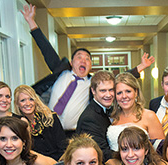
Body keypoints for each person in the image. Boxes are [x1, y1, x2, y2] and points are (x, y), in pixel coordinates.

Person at [21, 4, 154, 135]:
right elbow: (46, 49)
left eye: (87, 59)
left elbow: (118, 79)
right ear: (72, 62)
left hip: (75, 133)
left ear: (91, 66)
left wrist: (140, 67)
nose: (83, 60)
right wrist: (31, 21)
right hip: (49, 130)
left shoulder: (92, 83)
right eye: (79, 57)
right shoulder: (60, 71)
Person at [107, 72, 165, 151]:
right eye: (119, 93)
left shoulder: (149, 116)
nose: (124, 96)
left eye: (128, 91)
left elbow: (160, 150)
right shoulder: (112, 117)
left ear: (136, 92)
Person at [13, 84, 67, 161]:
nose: (28, 103)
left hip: (57, 161)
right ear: (17, 104)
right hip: (35, 164)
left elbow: (63, 145)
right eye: (23, 100)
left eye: (31, 99)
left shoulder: (50, 117)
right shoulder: (18, 124)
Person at [76, 70, 116, 161]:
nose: (108, 95)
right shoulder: (89, 119)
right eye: (103, 91)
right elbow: (102, 153)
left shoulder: (112, 109)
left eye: (111, 90)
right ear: (93, 91)